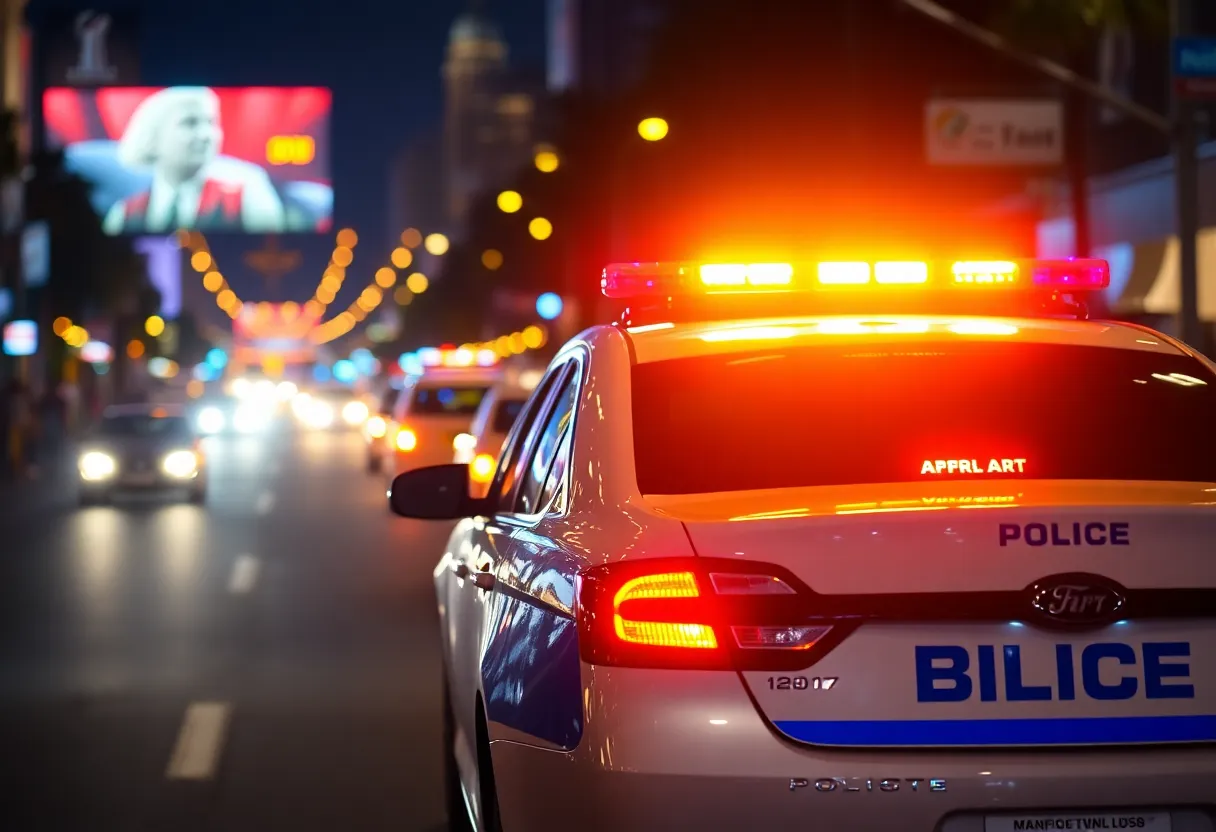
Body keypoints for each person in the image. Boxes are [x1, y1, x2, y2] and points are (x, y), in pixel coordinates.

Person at [102, 86, 287, 234]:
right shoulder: (123, 214)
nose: (206, 135)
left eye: (211, 123)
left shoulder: (247, 194)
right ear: (153, 136)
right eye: (190, 123)